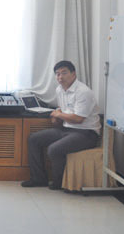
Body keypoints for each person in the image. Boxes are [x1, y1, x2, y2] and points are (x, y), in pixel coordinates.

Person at [22, 60, 101, 190]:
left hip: (86, 133)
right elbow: (63, 110)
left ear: (73, 74)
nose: (60, 77)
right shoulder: (59, 89)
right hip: (67, 129)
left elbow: (78, 119)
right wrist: (57, 116)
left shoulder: (83, 92)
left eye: (64, 73)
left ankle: (58, 183)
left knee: (54, 149)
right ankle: (38, 179)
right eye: (57, 74)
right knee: (33, 139)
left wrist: (58, 115)